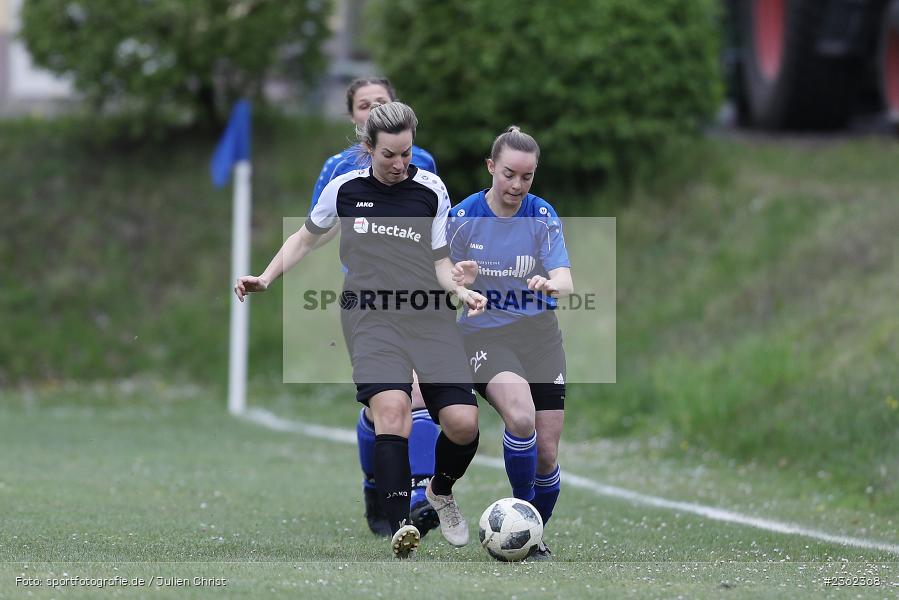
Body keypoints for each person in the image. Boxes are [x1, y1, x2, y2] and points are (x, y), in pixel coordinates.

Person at [236, 102, 485, 558]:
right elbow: (305, 237)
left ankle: (440, 490)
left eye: (406, 153)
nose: (399, 164)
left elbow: (440, 262)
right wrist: (266, 277)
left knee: (463, 425)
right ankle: (400, 526)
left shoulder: (431, 189)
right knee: (393, 411)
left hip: (429, 316)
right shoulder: (344, 189)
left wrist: (461, 290)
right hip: (370, 316)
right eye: (389, 154)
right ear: (368, 147)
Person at [309, 78, 441, 539]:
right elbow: (321, 229)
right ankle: (376, 485)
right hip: (367, 302)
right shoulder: (338, 170)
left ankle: (421, 497)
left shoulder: (422, 167)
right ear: (354, 119)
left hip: (421, 301)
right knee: (385, 406)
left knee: (421, 395)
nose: (372, 110)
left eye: (381, 102)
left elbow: (435, 232)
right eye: (364, 105)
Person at [447, 126, 573, 561]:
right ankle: (521, 517)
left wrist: (550, 282)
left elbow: (566, 279)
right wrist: (459, 284)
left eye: (527, 177)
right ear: (491, 168)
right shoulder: (464, 218)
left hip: (539, 337)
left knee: (547, 452)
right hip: (485, 336)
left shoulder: (541, 215)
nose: (517, 185)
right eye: (509, 174)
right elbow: (439, 274)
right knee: (521, 417)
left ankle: (528, 536)